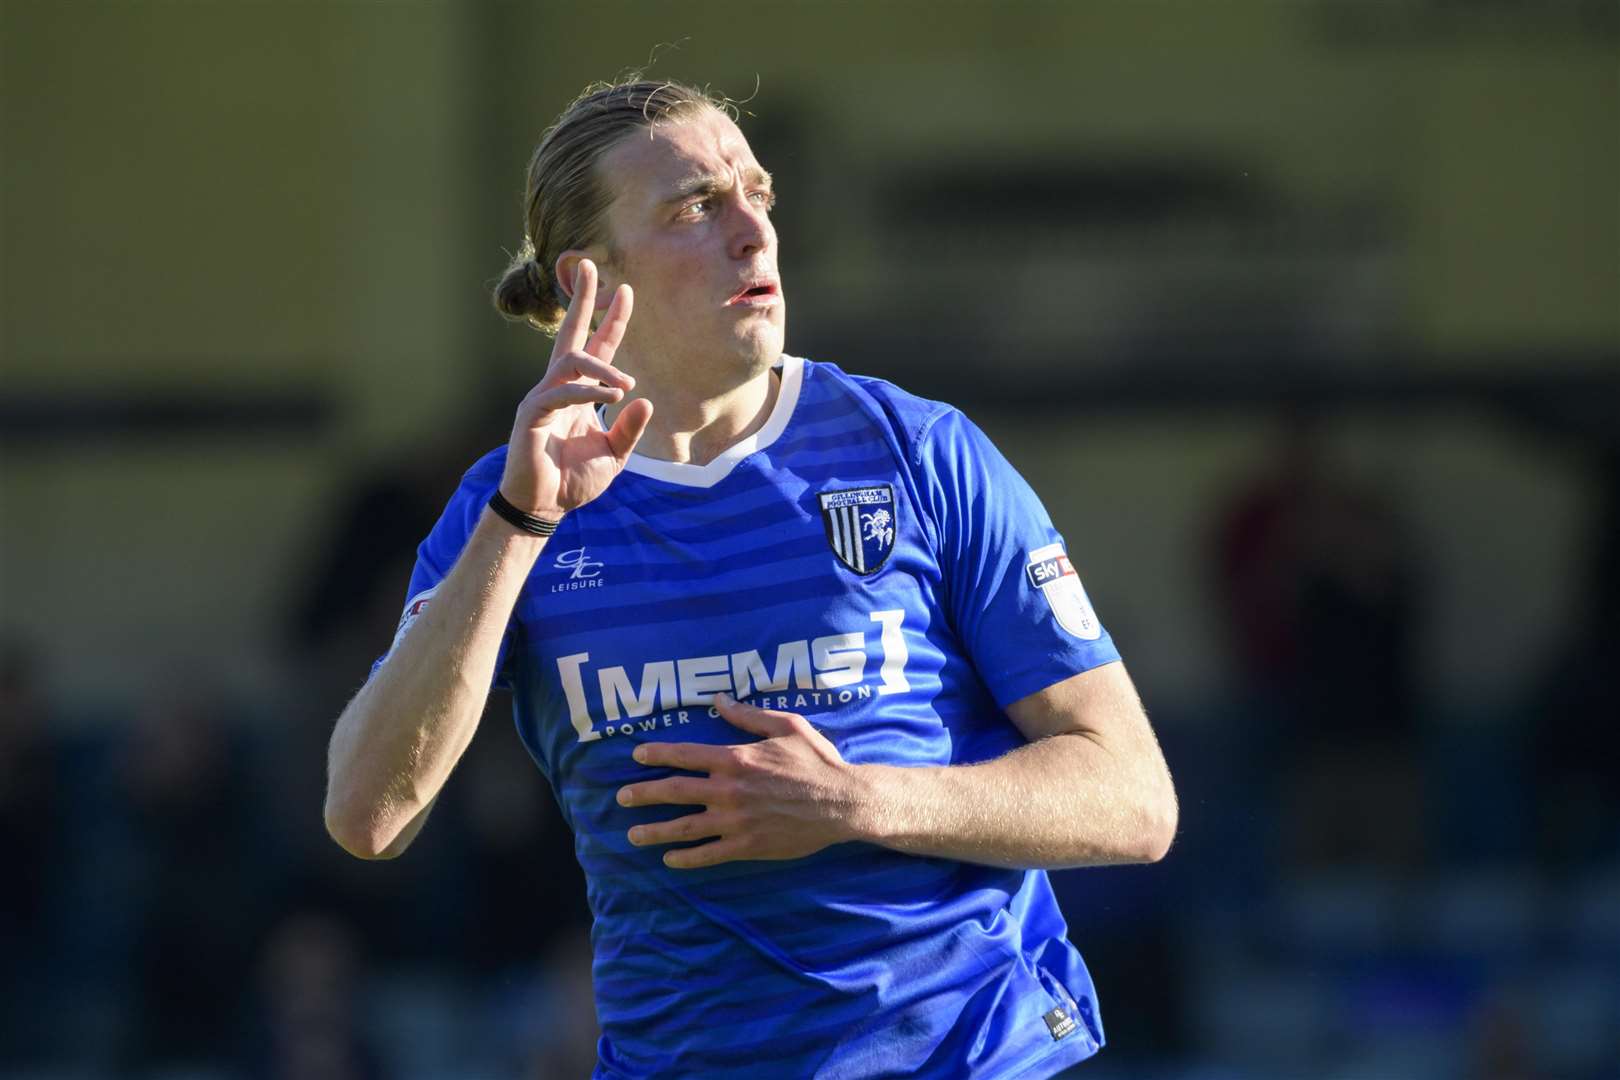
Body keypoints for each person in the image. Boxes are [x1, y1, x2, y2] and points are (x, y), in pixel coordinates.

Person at [324, 77, 1178, 1079]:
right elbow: (367, 813)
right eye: (697, 207)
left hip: (969, 1055)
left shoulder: (918, 453)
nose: (754, 232)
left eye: (756, 194)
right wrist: (522, 524)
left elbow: (1133, 798)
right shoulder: (509, 501)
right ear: (594, 275)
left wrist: (859, 801)